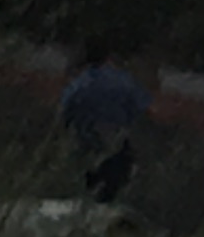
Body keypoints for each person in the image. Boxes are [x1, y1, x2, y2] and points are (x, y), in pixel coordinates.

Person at [57, 44, 149, 203]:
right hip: (116, 137)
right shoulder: (124, 81)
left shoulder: (80, 83)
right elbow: (141, 107)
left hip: (85, 137)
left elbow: (66, 108)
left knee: (83, 176)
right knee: (117, 174)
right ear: (108, 59)